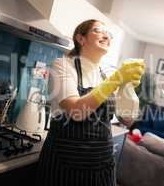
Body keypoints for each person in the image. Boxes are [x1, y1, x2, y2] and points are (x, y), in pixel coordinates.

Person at [36, 19, 145, 186]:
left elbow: (126, 119)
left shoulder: (107, 75)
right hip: (65, 167)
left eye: (108, 33)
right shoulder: (62, 66)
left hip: (101, 167)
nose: (106, 35)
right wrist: (117, 79)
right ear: (81, 39)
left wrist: (127, 90)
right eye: (97, 30)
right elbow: (76, 111)